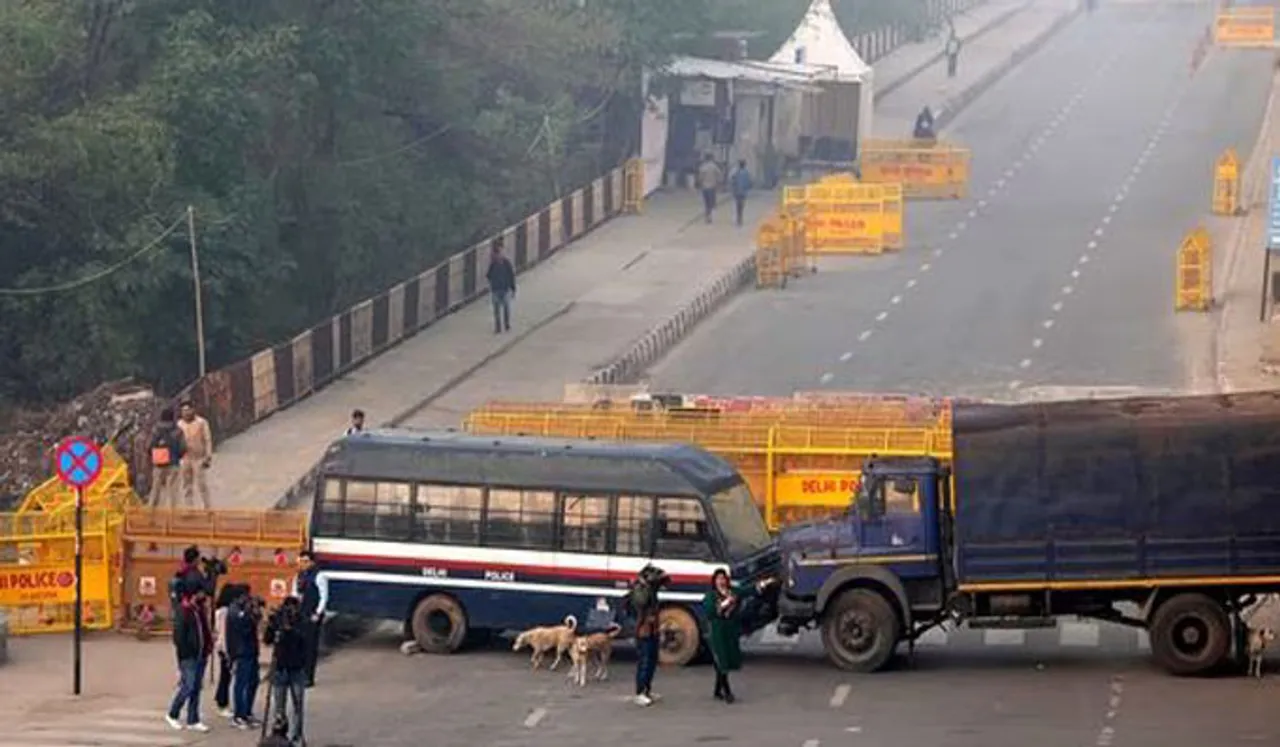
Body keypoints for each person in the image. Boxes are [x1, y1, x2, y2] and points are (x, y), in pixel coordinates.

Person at [702, 570, 777, 703]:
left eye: (723, 578)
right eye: (718, 579)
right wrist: (725, 603)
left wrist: (765, 583)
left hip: (730, 630)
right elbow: (710, 611)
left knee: (726, 660)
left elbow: (748, 590)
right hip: (717, 631)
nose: (721, 581)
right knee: (721, 659)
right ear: (714, 581)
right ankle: (728, 692)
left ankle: (717, 690)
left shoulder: (733, 592)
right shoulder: (711, 596)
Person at [166, 583, 213, 732]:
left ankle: (193, 719)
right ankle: (172, 714)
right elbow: (179, 637)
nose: (202, 596)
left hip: (201, 654)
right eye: (200, 593)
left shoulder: (198, 610)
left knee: (196, 689)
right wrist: (186, 653)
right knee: (189, 686)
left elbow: (204, 630)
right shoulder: (184, 611)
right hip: (189, 656)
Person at [264, 596, 309, 746]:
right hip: (280, 668)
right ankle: (279, 734)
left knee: (298, 705)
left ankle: (296, 736)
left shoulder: (302, 620)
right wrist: (272, 626)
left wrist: (291, 630)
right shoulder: (278, 620)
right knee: (279, 706)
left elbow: (305, 640)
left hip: (296, 668)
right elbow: (268, 640)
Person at [623, 564, 669, 707]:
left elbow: (667, 580)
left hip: (653, 627)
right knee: (645, 660)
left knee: (652, 660)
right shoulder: (640, 589)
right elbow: (642, 603)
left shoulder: (651, 589)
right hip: (643, 629)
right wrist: (646, 585)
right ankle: (640, 692)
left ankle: (647, 690)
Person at [292, 550, 329, 688]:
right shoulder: (299, 576)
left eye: (306, 561)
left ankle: (308, 676)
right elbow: (294, 593)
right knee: (299, 645)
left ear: (312, 562)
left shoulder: (319, 576)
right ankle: (299, 674)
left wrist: (317, 613)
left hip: (312, 614)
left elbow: (324, 597)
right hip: (300, 613)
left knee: (310, 647)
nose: (303, 564)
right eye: (301, 561)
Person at [213, 583, 249, 719]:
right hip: (225, 646)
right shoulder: (224, 612)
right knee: (225, 676)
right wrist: (228, 651)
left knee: (226, 675)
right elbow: (223, 632)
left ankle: (221, 699)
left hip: (223, 646)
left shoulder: (222, 610)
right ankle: (222, 703)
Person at [228, 593, 264, 729]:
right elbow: (242, 628)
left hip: (251, 651)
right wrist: (249, 613)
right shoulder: (234, 611)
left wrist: (255, 613)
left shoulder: (246, 610)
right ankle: (238, 715)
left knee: (253, 681)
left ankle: (247, 712)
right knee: (241, 684)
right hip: (242, 652)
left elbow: (255, 623)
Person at [177, 400, 214, 509]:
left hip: (199, 458)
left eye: (188, 410)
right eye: (183, 411)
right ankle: (189, 508)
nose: (186, 413)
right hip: (185, 458)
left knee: (202, 485)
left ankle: (208, 508)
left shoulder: (201, 422)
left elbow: (207, 440)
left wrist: (208, 456)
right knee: (186, 485)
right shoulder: (179, 424)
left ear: (193, 410)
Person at [147, 408, 186, 509]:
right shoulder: (178, 431)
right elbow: (183, 448)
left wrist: (154, 456)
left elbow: (149, 446)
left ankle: (151, 515)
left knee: (155, 490)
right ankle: (172, 516)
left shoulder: (155, 430)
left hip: (158, 464)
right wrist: (177, 456)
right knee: (173, 491)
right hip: (173, 463)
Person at [485, 245, 516, 335]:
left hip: (505, 288)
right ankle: (498, 327)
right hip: (496, 289)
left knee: (506, 308)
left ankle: (506, 324)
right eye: (498, 253)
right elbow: (488, 275)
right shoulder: (493, 264)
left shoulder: (506, 263)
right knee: (497, 309)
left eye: (501, 253)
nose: (499, 255)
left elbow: (511, 276)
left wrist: (512, 288)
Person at [697, 154, 723, 224]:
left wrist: (700, 184)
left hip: (704, 187)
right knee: (712, 203)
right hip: (712, 187)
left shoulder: (702, 167)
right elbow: (720, 175)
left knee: (706, 203)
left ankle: (707, 217)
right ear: (711, 158)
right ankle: (711, 216)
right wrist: (719, 183)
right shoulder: (714, 167)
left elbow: (700, 178)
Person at [729, 160, 753, 227]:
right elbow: (750, 182)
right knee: (742, 204)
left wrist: (733, 187)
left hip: (737, 191)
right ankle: (740, 216)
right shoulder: (747, 173)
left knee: (737, 204)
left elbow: (732, 181)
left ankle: (738, 217)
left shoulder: (736, 172)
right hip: (744, 192)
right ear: (744, 165)